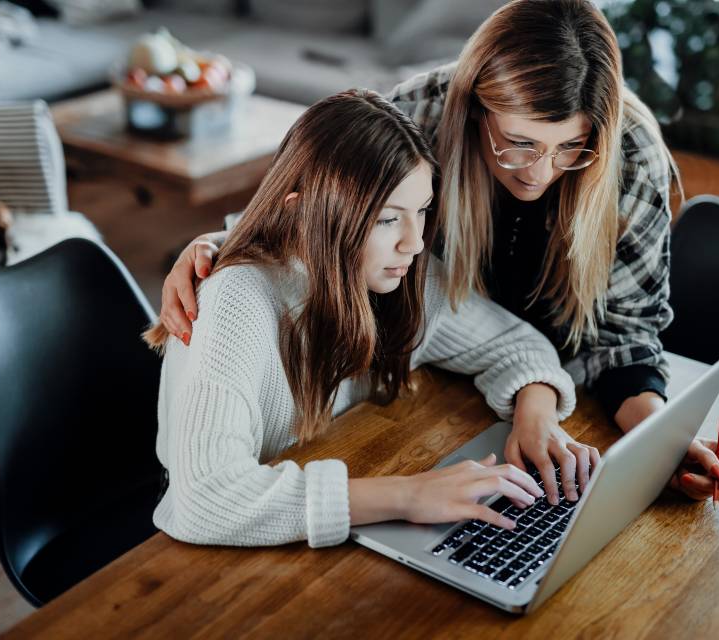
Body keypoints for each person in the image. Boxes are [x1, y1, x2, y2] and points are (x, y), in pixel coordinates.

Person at [156, 0, 719, 506]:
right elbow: (322, 200)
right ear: (476, 110)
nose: (541, 174)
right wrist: (224, 246)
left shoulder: (629, 157)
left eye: (570, 147)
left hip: (535, 393)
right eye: (519, 143)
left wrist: (663, 442)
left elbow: (625, 338)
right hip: (418, 380)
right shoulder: (420, 114)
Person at [143, 89, 586, 547]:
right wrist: (409, 496)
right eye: (387, 220)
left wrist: (536, 417)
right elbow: (206, 499)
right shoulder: (235, 301)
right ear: (302, 214)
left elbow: (517, 345)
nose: (414, 243)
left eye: (420, 211)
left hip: (331, 507)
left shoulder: (397, 276)